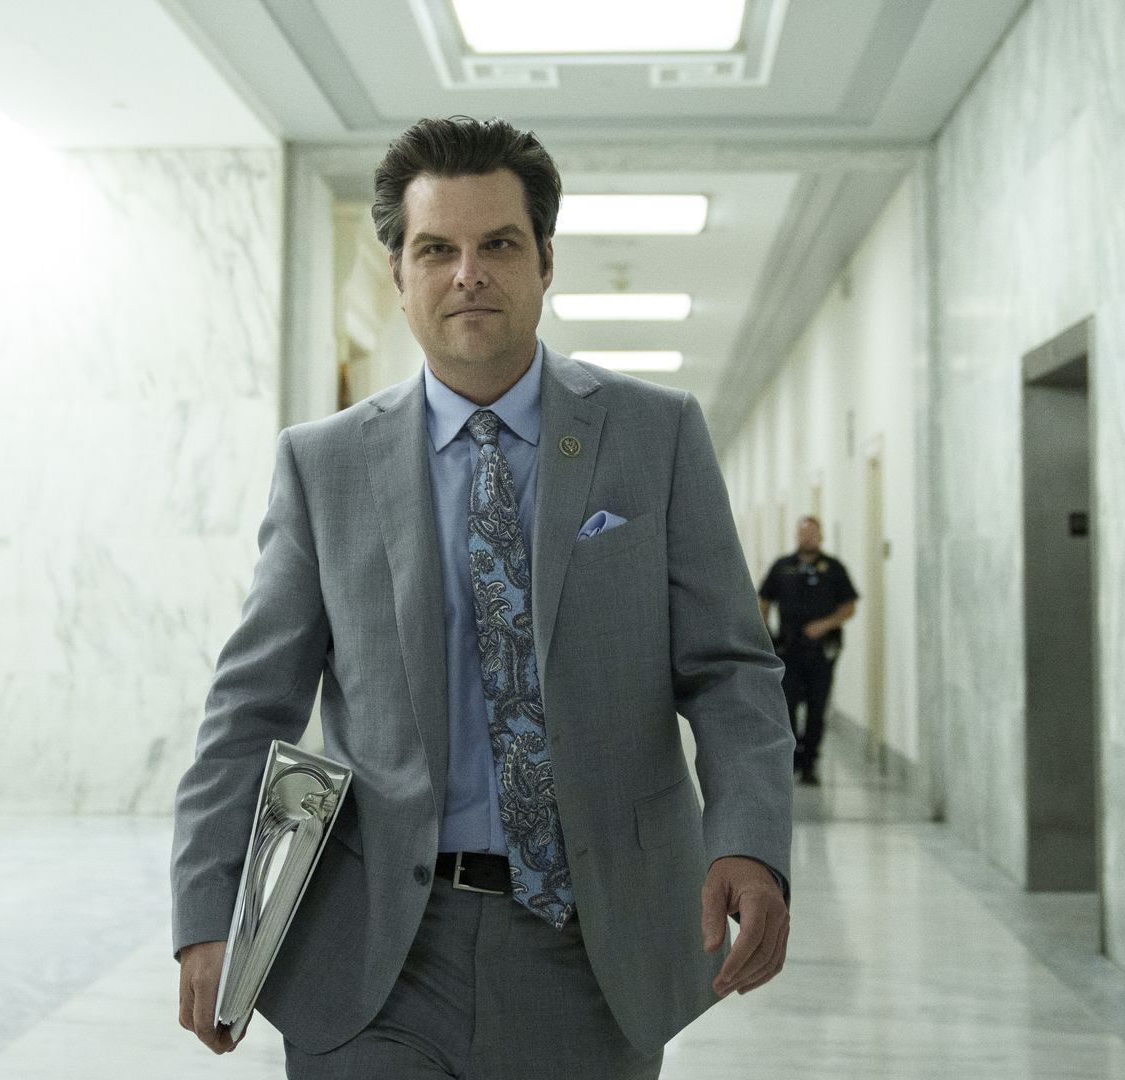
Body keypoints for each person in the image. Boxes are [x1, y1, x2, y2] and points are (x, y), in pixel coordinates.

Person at [171, 115, 794, 1079]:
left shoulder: (653, 437)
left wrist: (749, 840)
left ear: (545, 260)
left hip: (594, 954)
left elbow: (729, 672)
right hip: (375, 951)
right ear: (399, 274)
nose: (470, 272)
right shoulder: (324, 466)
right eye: (437, 249)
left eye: (499, 244)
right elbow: (250, 705)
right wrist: (208, 910)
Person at [758, 516, 859, 787]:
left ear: (820, 536)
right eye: (802, 533)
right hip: (788, 649)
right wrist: (765, 635)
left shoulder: (833, 569)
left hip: (821, 652)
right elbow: (763, 600)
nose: (807, 538)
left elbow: (849, 607)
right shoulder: (783, 568)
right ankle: (791, 759)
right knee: (787, 705)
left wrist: (824, 625)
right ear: (796, 536)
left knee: (817, 707)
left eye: (812, 533)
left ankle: (810, 763)